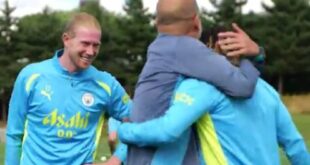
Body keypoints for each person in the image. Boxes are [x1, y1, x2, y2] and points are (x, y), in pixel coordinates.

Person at [118, 26, 310, 165]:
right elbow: (295, 146)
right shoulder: (267, 90)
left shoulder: (200, 87)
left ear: (207, 49)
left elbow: (166, 130)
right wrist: (258, 55)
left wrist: (125, 131)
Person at [127, 0, 265, 164]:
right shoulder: (184, 48)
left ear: (157, 22)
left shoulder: (158, 47)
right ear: (196, 22)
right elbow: (243, 86)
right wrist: (255, 53)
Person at [5, 12, 130, 165]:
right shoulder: (31, 76)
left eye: (96, 45)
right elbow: (14, 135)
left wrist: (115, 160)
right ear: (66, 39)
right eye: (85, 43)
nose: (90, 52)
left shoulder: (106, 84)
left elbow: (137, 121)